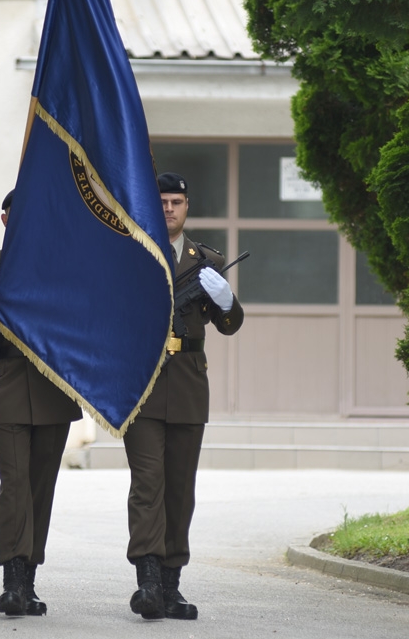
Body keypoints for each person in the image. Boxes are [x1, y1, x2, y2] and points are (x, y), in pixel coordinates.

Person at [122, 172, 244, 621]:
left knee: (180, 489)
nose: (169, 208)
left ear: (187, 207)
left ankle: (171, 584)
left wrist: (227, 300)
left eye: (177, 201)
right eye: (162, 201)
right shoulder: (131, 253)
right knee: (148, 484)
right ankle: (148, 580)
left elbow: (229, 325)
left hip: (189, 383)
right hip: (143, 384)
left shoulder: (206, 260)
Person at [0, 189, 82, 616]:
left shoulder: (64, 265)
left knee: (40, 487)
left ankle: (29, 579)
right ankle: (11, 579)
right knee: (15, 483)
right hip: (7, 382)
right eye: (18, 213)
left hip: (53, 385)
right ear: (6, 218)